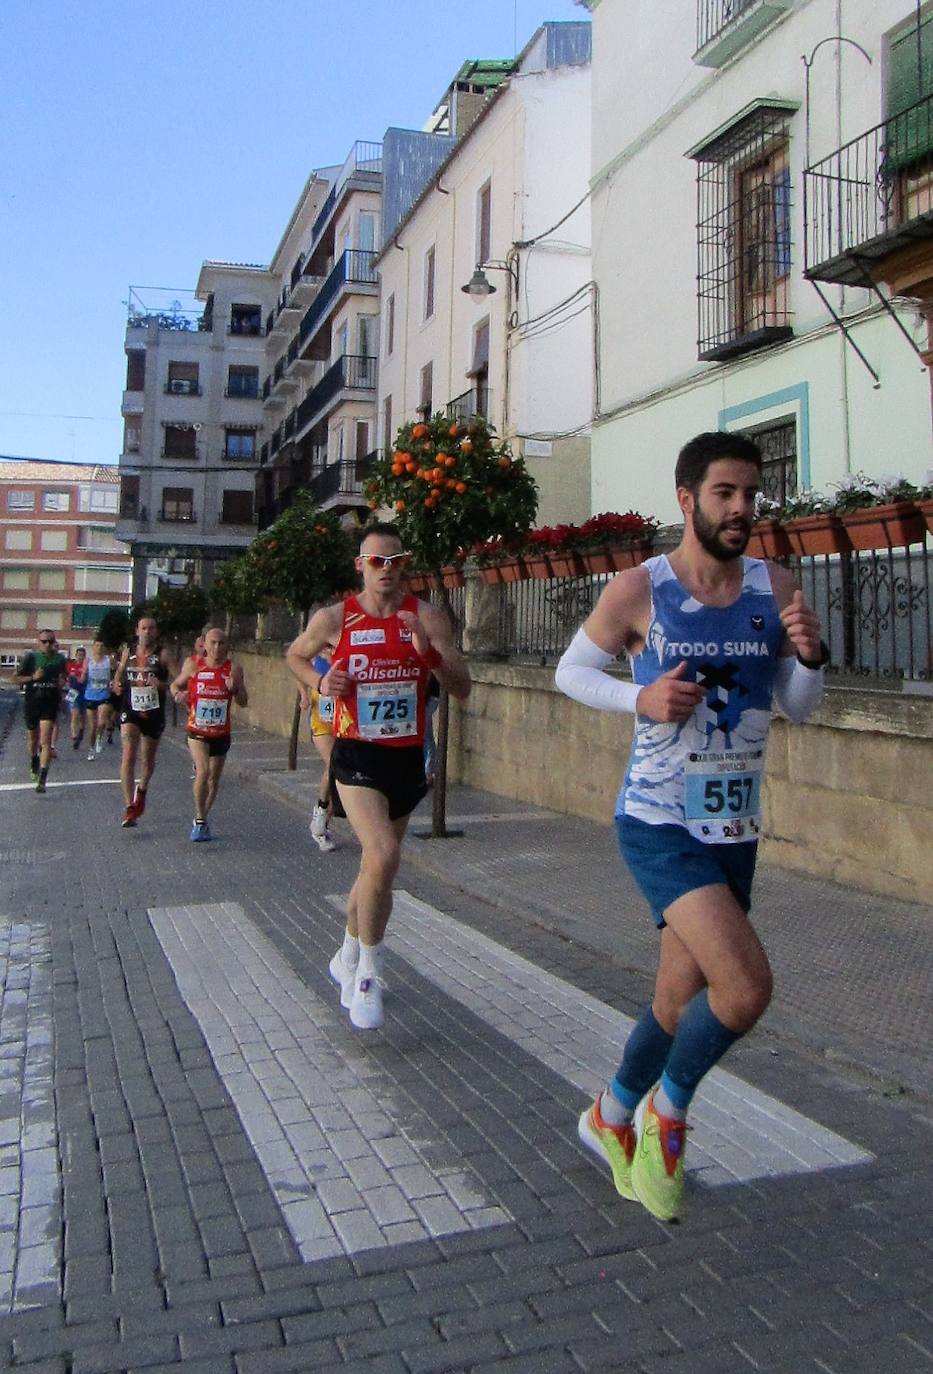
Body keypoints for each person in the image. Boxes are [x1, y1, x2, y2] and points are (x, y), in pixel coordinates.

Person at [555, 431, 827, 1223]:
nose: (742, 508)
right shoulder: (640, 587)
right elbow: (570, 672)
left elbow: (797, 706)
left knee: (677, 1004)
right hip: (659, 821)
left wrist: (808, 656)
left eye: (751, 494)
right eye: (724, 494)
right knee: (743, 990)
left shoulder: (773, 584)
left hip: (732, 824)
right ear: (687, 499)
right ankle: (663, 1116)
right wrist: (634, 699)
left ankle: (607, 1112)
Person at [286, 522, 471, 1030]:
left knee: (377, 868)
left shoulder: (428, 617)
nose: (385, 569)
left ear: (404, 565)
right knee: (384, 854)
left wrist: (429, 657)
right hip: (356, 752)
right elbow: (295, 655)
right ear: (360, 566)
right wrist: (323, 680)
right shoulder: (335, 618)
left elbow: (462, 687)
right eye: (375, 560)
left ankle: (345, 951)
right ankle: (367, 971)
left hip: (407, 756)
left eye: (394, 560)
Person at [170, 626, 248, 841]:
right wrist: (178, 694)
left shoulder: (234, 669)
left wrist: (235, 689)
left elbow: (243, 701)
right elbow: (175, 685)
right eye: (212, 643)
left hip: (221, 732)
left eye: (221, 643)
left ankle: (202, 817)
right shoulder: (194, 665)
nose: (217, 647)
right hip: (197, 730)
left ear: (227, 646)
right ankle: (200, 819)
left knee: (213, 780)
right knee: (203, 772)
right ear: (204, 644)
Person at [112, 615, 175, 828]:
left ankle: (143, 789)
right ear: (137, 631)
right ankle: (130, 806)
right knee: (128, 754)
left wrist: (162, 685)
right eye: (144, 628)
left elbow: (179, 682)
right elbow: (119, 675)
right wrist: (117, 685)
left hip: (154, 712)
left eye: (151, 628)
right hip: (130, 710)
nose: (147, 632)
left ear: (156, 632)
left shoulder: (163, 655)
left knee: (147, 760)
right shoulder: (128, 652)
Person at [14, 630, 68, 792]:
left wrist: (61, 683)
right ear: (39, 643)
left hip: (49, 702)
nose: (48, 645)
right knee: (33, 740)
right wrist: (33, 678)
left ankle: (43, 779)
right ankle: (33, 760)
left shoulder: (59, 659)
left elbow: (64, 677)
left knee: (45, 741)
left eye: (51, 642)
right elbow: (15, 678)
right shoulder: (31, 658)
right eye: (44, 642)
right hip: (32, 702)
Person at [299, 647, 338, 853]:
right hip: (321, 723)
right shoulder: (314, 654)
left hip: (345, 722)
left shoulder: (348, 651)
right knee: (333, 763)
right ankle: (321, 812)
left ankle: (321, 824)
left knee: (342, 775)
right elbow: (295, 666)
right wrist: (303, 694)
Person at [83, 638, 115, 759]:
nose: (99, 648)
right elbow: (83, 676)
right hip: (90, 695)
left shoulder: (108, 660)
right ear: (93, 647)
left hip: (104, 695)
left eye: (102, 646)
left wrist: (114, 682)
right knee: (92, 727)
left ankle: (99, 738)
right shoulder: (88, 661)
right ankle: (90, 750)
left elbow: (116, 672)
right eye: (97, 646)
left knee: (101, 722)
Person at [65, 647, 88, 752]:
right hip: (73, 692)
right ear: (76, 655)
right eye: (79, 655)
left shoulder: (87, 667)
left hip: (84, 692)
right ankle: (74, 737)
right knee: (75, 714)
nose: (80, 657)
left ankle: (81, 731)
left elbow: (84, 680)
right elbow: (67, 678)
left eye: (82, 655)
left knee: (83, 716)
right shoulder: (70, 666)